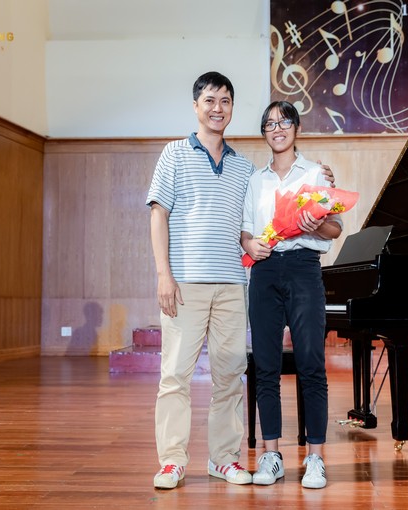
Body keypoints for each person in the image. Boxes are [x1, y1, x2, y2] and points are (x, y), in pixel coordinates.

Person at [146, 71, 254, 489]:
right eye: (209, 100)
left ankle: (223, 459)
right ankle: (172, 461)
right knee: (175, 375)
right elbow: (159, 214)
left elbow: (246, 231)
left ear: (232, 108)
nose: (217, 108)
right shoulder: (174, 153)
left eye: (225, 101)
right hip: (184, 285)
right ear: (196, 106)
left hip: (231, 286)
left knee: (230, 376)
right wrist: (164, 275)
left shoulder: (244, 167)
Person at [240, 100, 341, 489]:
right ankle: (271, 455)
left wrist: (314, 226)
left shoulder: (315, 173)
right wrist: (249, 245)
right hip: (264, 272)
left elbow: (335, 228)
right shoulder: (255, 180)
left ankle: (315, 458)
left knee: (311, 364)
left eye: (284, 122)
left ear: (297, 128)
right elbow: (246, 231)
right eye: (269, 124)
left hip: (303, 269)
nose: (277, 129)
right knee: (265, 365)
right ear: (264, 133)